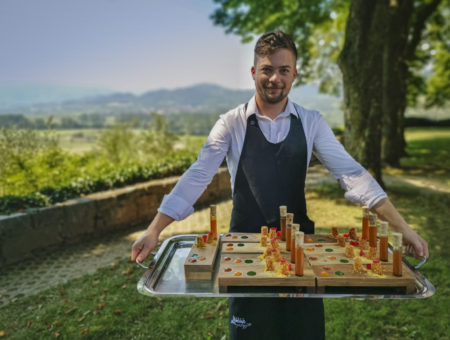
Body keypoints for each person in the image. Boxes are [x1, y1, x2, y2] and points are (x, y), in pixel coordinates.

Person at [131, 30, 429, 339]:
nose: (275, 78)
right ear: (253, 72)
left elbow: (353, 175)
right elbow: (197, 175)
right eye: (267, 69)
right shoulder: (231, 123)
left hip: (300, 254)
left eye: (283, 70)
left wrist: (403, 229)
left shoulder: (312, 122)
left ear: (295, 74)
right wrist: (155, 230)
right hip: (244, 253)